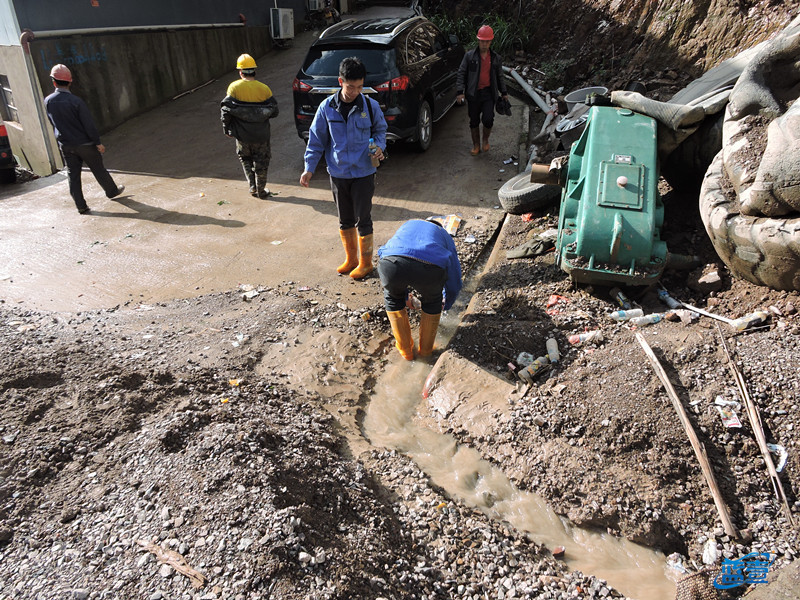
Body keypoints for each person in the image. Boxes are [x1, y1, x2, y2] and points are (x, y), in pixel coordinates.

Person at [300, 57, 387, 280]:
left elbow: (380, 131)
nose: (355, 92)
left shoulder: (370, 105)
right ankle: (352, 259)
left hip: (364, 173)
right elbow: (316, 139)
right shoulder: (326, 108)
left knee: (363, 218)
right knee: (345, 219)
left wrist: (379, 147)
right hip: (338, 173)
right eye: (351, 87)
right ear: (341, 81)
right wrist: (309, 168)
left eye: (359, 87)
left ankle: (366, 263)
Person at [44, 64, 125, 214]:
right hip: (85, 144)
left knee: (73, 176)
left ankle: (81, 206)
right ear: (70, 82)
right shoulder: (76, 102)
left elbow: (53, 123)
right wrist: (97, 143)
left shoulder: (48, 101)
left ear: (53, 82)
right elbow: (89, 125)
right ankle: (112, 191)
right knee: (98, 169)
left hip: (66, 145)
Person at [377, 219, 462, 360]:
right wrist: (446, 303)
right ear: (439, 226)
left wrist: (404, 296)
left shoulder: (408, 224)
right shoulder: (443, 234)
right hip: (429, 268)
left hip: (390, 263)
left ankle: (406, 351)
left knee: (393, 298)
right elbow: (454, 276)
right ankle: (426, 352)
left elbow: (393, 253)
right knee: (432, 302)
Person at [221, 54, 279, 198]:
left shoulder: (233, 88)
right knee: (262, 162)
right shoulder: (264, 89)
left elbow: (226, 110)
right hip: (262, 135)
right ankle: (261, 190)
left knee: (245, 159)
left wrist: (226, 128)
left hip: (242, 136)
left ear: (240, 72)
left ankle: (252, 186)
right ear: (254, 71)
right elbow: (275, 111)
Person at [456, 25, 509, 156]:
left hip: (488, 93)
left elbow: (500, 76)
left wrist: (504, 92)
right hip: (473, 94)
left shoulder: (495, 58)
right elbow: (461, 73)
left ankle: (485, 139)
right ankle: (476, 145)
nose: (484, 44)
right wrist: (460, 91)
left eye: (487, 41)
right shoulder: (469, 57)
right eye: (482, 41)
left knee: (488, 119)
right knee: (474, 120)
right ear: (478, 41)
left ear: (490, 42)